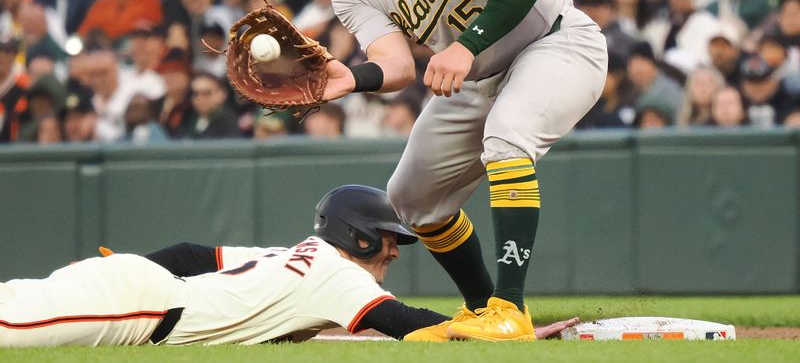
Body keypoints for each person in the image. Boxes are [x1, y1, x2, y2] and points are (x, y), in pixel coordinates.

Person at [281, 0, 607, 341]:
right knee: (410, 197)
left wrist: (468, 45)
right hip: (478, 77)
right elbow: (397, 65)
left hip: (556, 41)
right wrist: (354, 77)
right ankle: (482, 312)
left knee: (507, 136)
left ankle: (510, 305)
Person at [0, 184, 581, 345]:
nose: (395, 251)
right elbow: (406, 324)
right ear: (356, 238)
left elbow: (187, 255)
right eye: (386, 239)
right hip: (136, 306)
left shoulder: (296, 255)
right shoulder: (336, 274)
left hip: (136, 289)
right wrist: (496, 334)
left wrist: (125, 268)